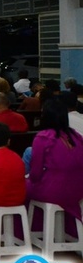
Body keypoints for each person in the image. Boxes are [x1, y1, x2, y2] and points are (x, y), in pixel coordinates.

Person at [24, 97, 83, 237]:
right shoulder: (76, 136)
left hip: (55, 190)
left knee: (20, 189)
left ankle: (30, 232)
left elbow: (36, 173)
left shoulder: (43, 137)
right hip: (77, 190)